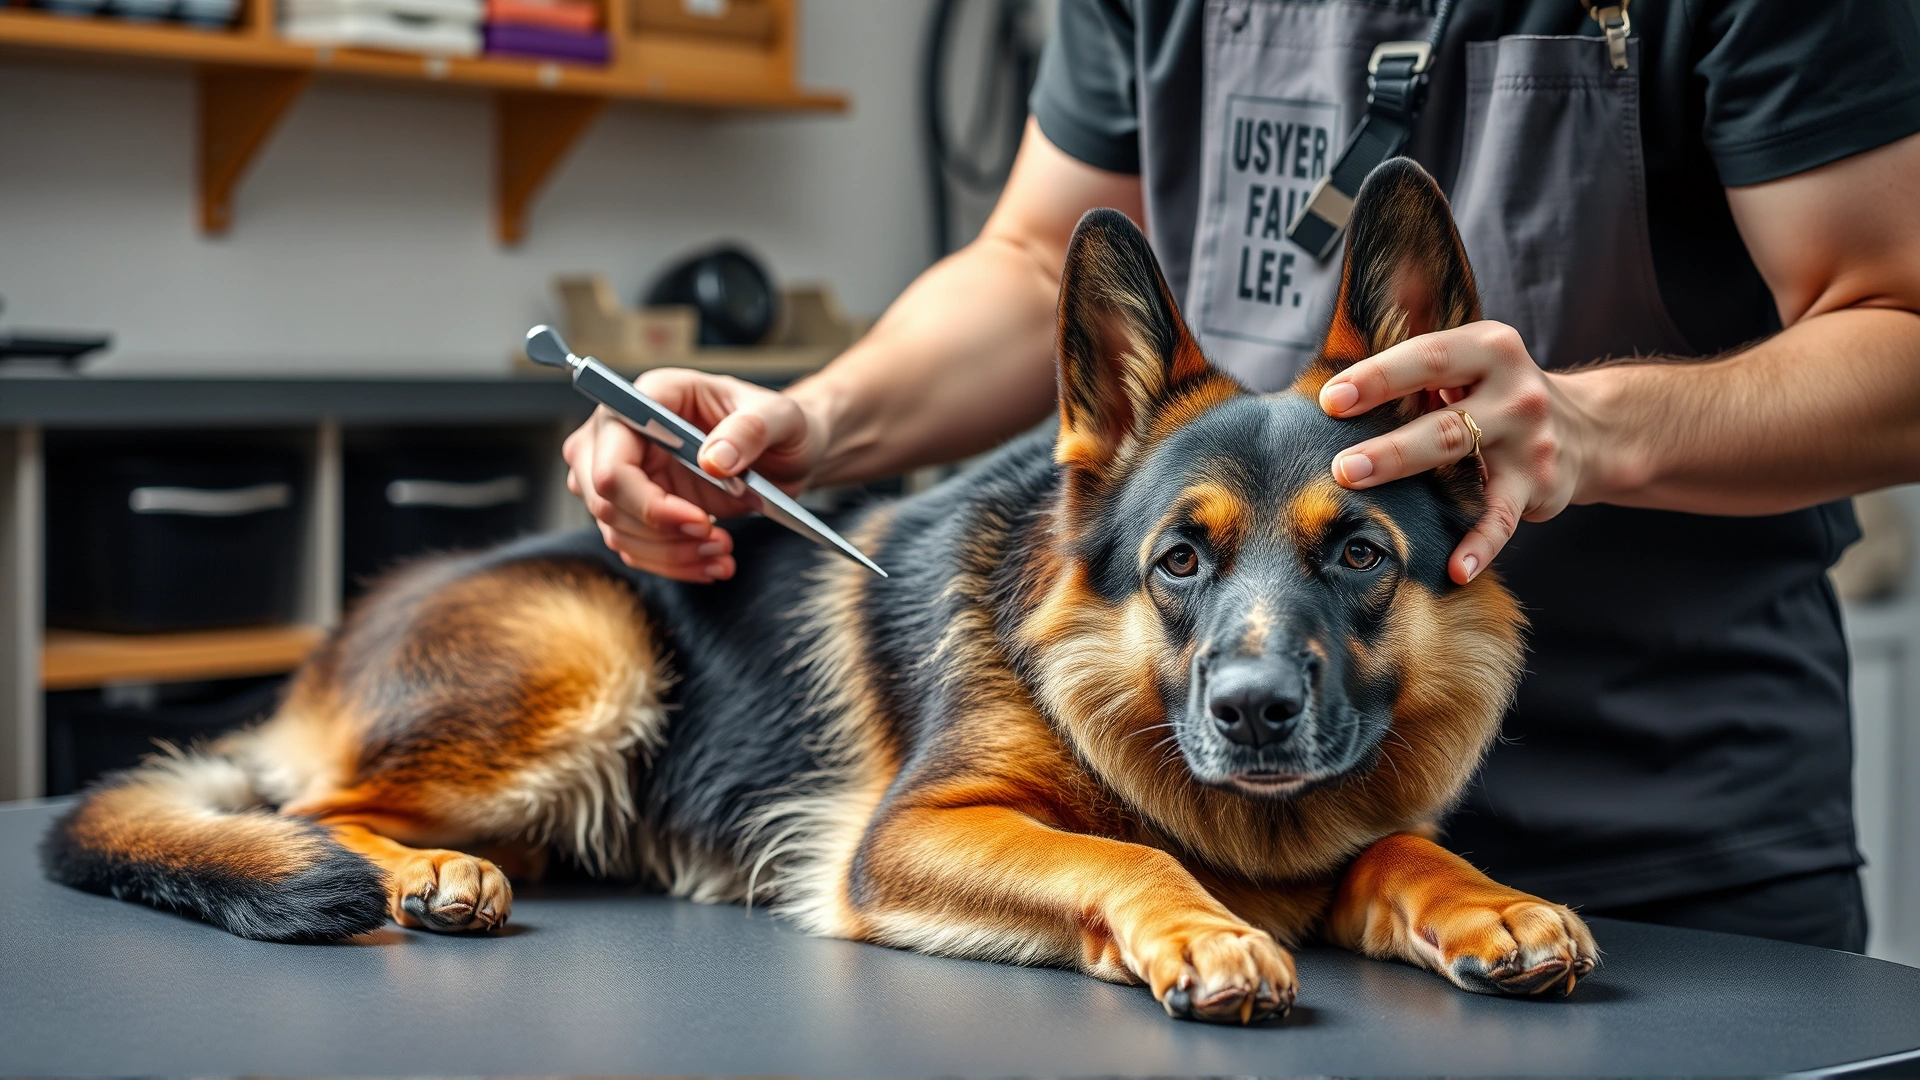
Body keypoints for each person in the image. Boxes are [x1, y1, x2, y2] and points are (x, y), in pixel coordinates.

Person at [564, 0, 1920, 951]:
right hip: (1195, 834)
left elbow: (1899, 326)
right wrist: (815, 418)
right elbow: (1043, 260)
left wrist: (1595, 425)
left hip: (1653, 828)